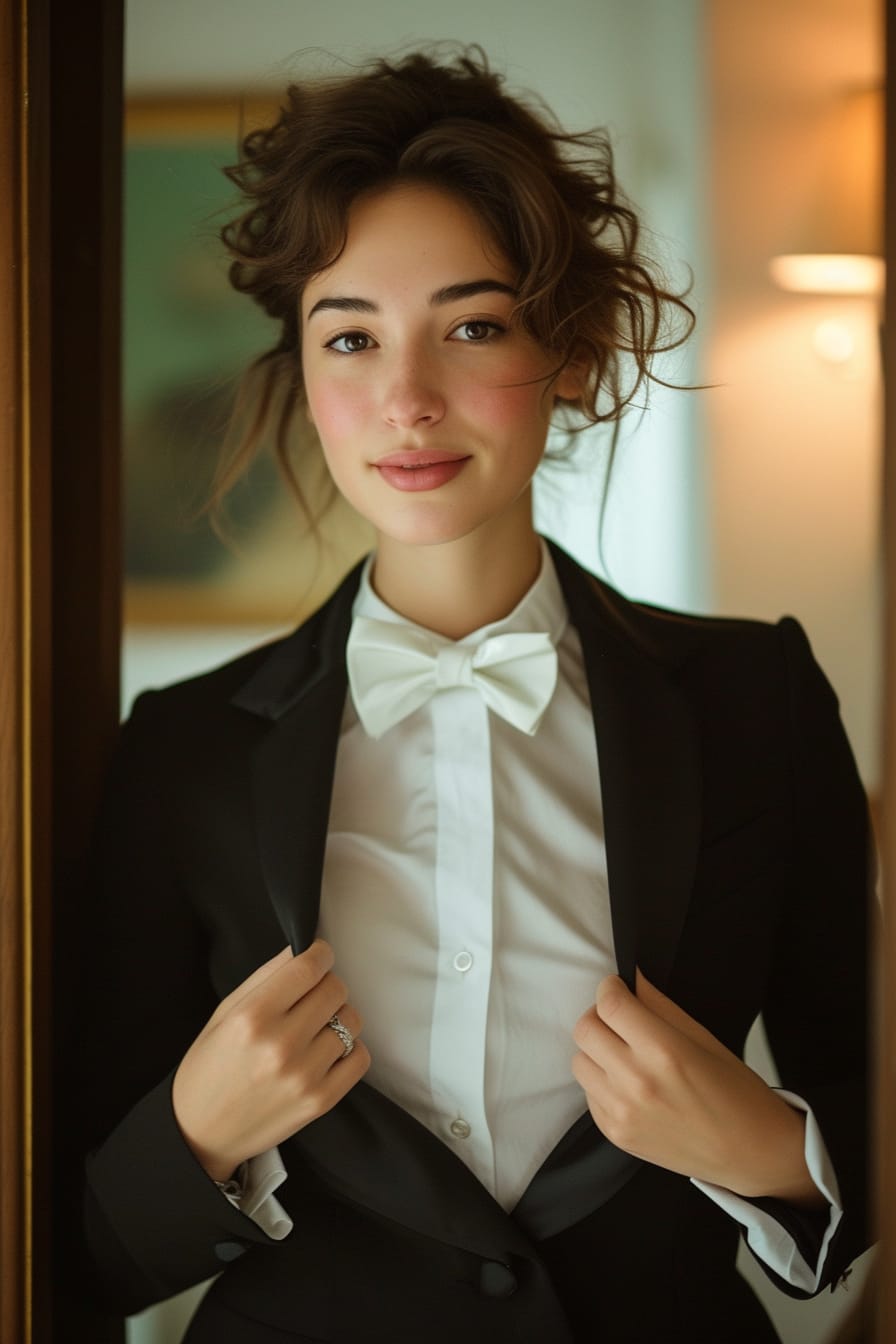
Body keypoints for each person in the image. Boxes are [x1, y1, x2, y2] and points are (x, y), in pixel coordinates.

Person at [77, 48, 873, 1344]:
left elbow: (866, 1093)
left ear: (565, 350)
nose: (406, 397)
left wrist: (772, 1146)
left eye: (474, 325)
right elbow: (75, 1248)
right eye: (352, 336)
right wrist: (194, 1132)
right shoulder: (183, 753)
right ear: (303, 368)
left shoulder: (757, 698)